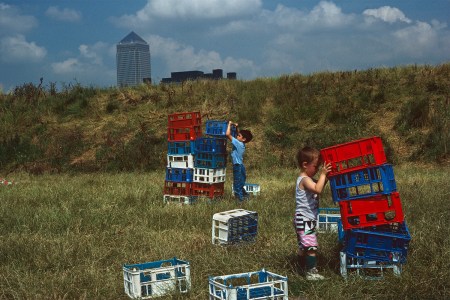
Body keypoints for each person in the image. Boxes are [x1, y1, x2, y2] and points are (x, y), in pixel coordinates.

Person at [294, 146, 332, 280]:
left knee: (303, 246)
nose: (317, 170)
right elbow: (318, 189)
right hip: (305, 219)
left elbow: (320, 184)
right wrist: (323, 174)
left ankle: (299, 267)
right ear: (305, 165)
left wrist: (325, 177)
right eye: (316, 167)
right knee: (311, 247)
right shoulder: (305, 180)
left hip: (304, 218)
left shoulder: (308, 179)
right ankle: (311, 272)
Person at [226, 121, 253, 201]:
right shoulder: (242, 143)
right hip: (241, 165)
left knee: (237, 185)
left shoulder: (237, 143)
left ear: (243, 139)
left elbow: (227, 134)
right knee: (240, 184)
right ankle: (246, 197)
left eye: (238, 135)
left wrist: (229, 124)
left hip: (237, 166)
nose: (237, 135)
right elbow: (239, 135)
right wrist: (237, 127)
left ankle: (239, 201)